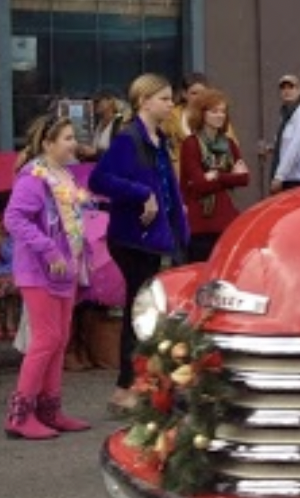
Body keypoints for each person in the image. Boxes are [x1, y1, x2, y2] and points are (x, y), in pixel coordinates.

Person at [89, 74, 189, 415]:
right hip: (133, 239)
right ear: (144, 101)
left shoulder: (158, 139)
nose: (170, 103)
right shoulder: (129, 139)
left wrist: (180, 230)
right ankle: (124, 388)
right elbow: (99, 179)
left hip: (155, 237)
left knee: (149, 312)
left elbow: (168, 189)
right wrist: (140, 193)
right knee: (139, 312)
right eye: (163, 98)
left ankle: (144, 386)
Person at [4, 117, 96, 439]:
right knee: (45, 340)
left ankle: (50, 409)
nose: (74, 143)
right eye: (68, 138)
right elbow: (14, 218)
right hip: (39, 271)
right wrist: (49, 250)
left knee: (59, 339)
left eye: (74, 137)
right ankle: (20, 414)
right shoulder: (34, 177)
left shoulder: (65, 176)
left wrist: (79, 251)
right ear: (48, 144)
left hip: (65, 270)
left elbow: (72, 220)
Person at [179, 89, 249, 263]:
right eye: (214, 111)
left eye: (223, 111)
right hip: (199, 222)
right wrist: (228, 176)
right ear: (201, 114)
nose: (220, 116)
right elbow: (200, 184)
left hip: (225, 220)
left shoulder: (229, 143)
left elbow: (244, 178)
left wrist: (217, 175)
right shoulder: (191, 144)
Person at [269, 74, 300, 193]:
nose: (287, 91)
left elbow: (296, 146)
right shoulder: (285, 116)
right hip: (288, 178)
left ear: (299, 91)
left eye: (291, 87)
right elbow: (285, 144)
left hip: (299, 179)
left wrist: (279, 176)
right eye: (283, 88)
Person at [76, 90, 129, 163]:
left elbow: (121, 154)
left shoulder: (121, 123)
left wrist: (95, 152)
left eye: (98, 101)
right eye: (93, 102)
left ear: (110, 101)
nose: (94, 104)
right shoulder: (97, 123)